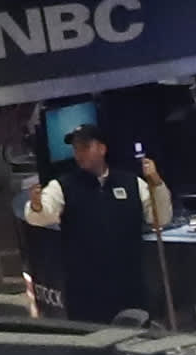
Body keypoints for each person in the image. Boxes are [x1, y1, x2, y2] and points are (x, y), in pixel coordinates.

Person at [20, 122, 170, 323]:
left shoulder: (132, 183)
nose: (79, 153)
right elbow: (40, 216)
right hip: (86, 292)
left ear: (102, 148)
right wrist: (37, 206)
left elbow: (160, 217)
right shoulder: (63, 186)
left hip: (130, 288)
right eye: (75, 148)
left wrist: (157, 183)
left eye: (85, 147)